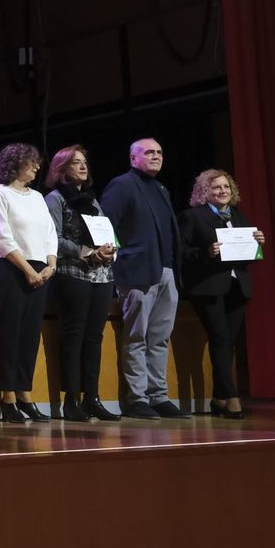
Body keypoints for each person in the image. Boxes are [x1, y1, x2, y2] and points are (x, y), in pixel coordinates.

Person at [100, 138, 190, 420]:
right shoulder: (123, 185)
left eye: (160, 152)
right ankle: (137, 398)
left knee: (160, 338)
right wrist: (119, 259)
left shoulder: (161, 188)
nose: (156, 156)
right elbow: (105, 226)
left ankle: (158, 396)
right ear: (133, 158)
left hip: (166, 272)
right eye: (149, 152)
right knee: (137, 336)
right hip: (137, 272)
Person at [178, 169, 266, 419]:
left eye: (226, 187)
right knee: (220, 339)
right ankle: (232, 397)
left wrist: (257, 244)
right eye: (216, 187)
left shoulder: (239, 217)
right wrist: (206, 252)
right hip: (207, 287)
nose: (223, 191)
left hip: (237, 287)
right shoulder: (192, 217)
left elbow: (249, 256)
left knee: (227, 343)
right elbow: (182, 252)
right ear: (204, 192)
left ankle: (218, 398)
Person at [44, 145, 120, 422]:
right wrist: (85, 251)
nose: (83, 166)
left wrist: (110, 249)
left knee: (94, 337)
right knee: (73, 336)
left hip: (101, 275)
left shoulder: (92, 200)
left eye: (85, 162)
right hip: (71, 272)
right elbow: (52, 236)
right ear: (61, 168)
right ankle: (71, 400)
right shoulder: (54, 199)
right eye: (76, 162)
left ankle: (93, 398)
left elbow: (107, 232)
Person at [0, 144, 59, 423]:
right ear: (14, 164)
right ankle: (7, 397)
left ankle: (25, 393)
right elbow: (1, 236)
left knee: (30, 335)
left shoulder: (38, 197)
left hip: (41, 270)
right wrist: (28, 270)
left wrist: (50, 265)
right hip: (14, 268)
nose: (37, 167)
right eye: (31, 162)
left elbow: (50, 233)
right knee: (10, 333)